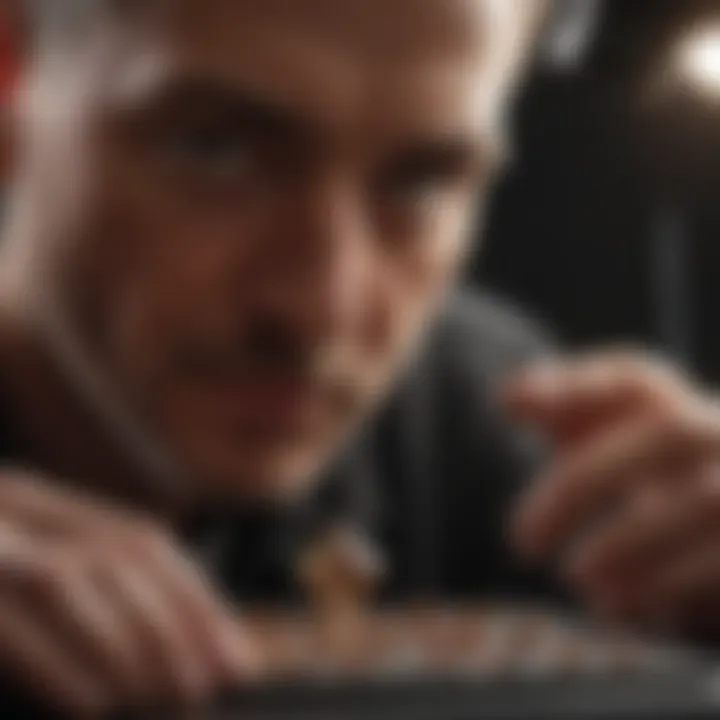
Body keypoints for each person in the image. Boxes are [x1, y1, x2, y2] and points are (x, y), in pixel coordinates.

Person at [1, 0, 720, 715]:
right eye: (214, 149)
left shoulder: (484, 429)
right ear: (13, 77)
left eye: (422, 183)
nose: (321, 311)